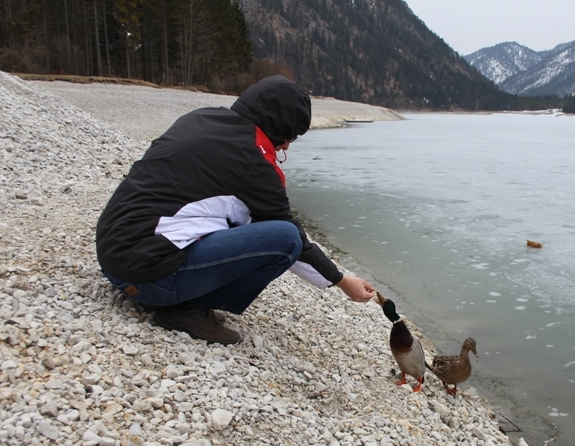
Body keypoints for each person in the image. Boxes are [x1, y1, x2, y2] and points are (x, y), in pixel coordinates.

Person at [96, 75, 376, 344]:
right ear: (279, 127)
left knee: (233, 216)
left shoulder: (200, 117)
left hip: (113, 255)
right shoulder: (255, 162)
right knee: (285, 237)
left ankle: (177, 293)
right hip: (146, 278)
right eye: (289, 135)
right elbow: (295, 242)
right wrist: (341, 281)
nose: (287, 144)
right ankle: (184, 308)